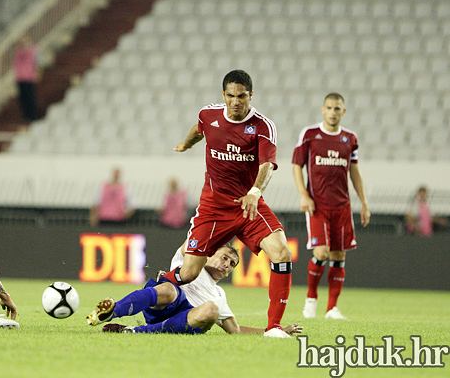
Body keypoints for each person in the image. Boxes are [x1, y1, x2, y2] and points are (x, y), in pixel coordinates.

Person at [159, 70, 294, 338]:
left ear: (250, 96)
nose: (236, 101)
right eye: (231, 96)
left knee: (282, 253)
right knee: (187, 272)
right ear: (223, 95)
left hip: (248, 204)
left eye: (241, 96)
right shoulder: (209, 115)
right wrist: (186, 144)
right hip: (214, 208)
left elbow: (267, 164)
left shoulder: (263, 126)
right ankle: (152, 293)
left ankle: (274, 328)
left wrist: (255, 191)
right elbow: (199, 130)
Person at [87, 243, 303, 336]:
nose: (227, 264)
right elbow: (192, 240)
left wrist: (276, 329)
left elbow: (234, 330)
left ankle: (132, 332)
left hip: (185, 318)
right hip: (163, 304)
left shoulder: (219, 295)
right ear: (209, 253)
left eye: (232, 264)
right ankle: (112, 311)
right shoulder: (191, 259)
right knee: (171, 290)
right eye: (225, 257)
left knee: (211, 310)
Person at [292, 92, 370, 320]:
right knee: (321, 251)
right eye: (329, 108)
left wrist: (364, 203)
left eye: (337, 109)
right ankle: (311, 299)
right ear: (322, 109)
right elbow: (297, 165)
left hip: (342, 206)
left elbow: (354, 171)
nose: (333, 112)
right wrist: (303, 195)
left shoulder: (350, 138)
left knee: (338, 255)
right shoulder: (310, 134)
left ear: (343, 111)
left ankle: (332, 308)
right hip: (317, 205)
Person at [13, 34, 41, 121]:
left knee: (30, 97)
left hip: (29, 77)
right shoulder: (18, 51)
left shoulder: (33, 49)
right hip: (20, 78)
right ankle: (25, 115)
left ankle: (32, 115)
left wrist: (38, 72)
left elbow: (38, 61)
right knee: (22, 98)